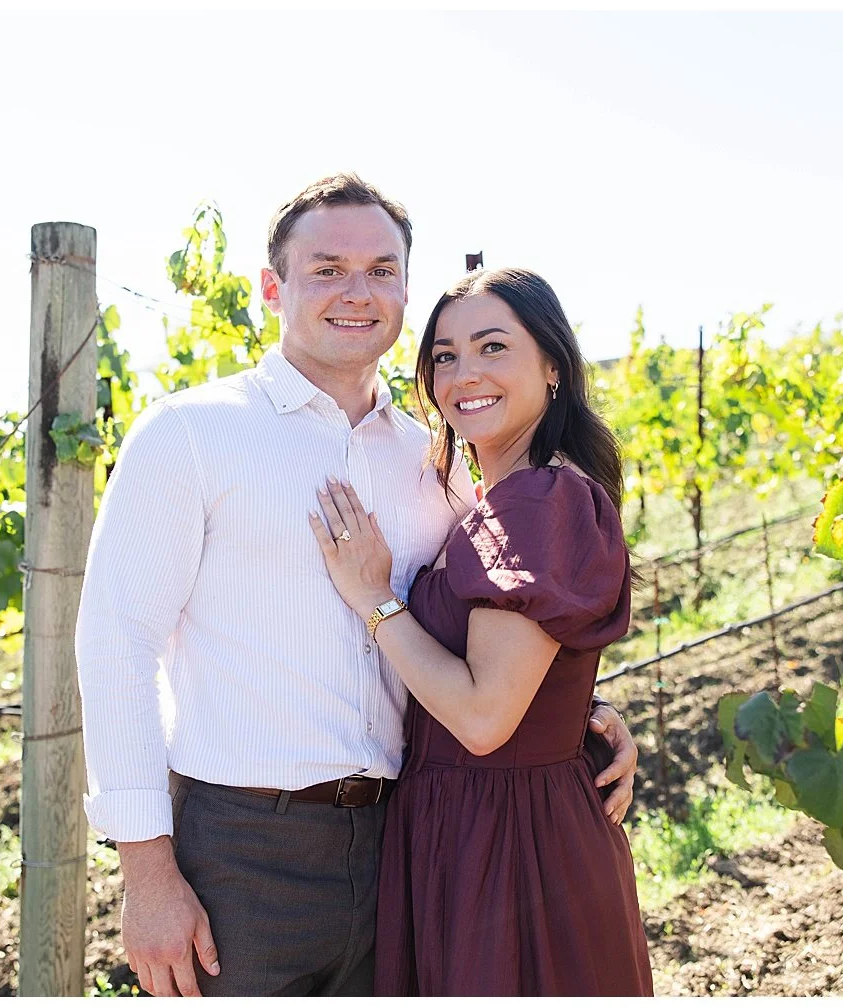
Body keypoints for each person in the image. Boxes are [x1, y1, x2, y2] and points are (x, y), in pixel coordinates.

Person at [75, 173, 640, 997]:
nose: (357, 290)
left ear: (406, 289)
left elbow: (497, 629)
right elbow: (116, 642)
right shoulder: (192, 434)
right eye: (328, 266)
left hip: (404, 847)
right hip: (242, 853)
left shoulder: (437, 466)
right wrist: (147, 873)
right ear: (274, 287)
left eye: (381, 269)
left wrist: (579, 714)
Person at [309, 266, 654, 995]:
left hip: (507, 848)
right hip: (486, 828)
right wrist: (584, 712)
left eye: (494, 347)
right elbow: (526, 673)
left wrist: (374, 599)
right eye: (444, 355)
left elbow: (481, 716)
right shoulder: (503, 498)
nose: (465, 373)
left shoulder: (537, 497)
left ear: (553, 364)